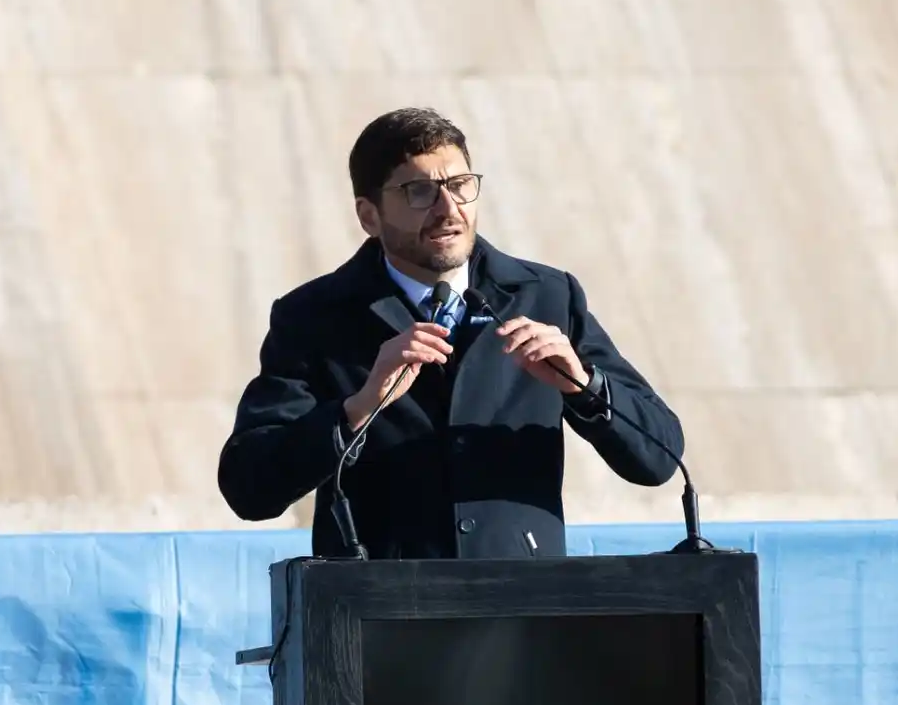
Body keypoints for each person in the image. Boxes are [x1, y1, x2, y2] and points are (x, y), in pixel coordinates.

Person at [218, 107, 683, 559]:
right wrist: (356, 410)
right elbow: (249, 487)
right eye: (419, 191)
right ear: (369, 216)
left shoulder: (546, 296)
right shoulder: (314, 316)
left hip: (526, 612)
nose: (448, 209)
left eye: (460, 186)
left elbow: (659, 457)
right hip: (380, 616)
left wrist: (586, 389)